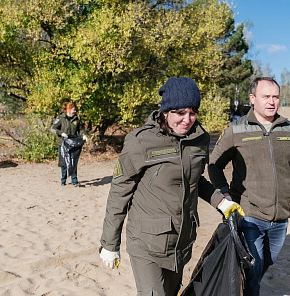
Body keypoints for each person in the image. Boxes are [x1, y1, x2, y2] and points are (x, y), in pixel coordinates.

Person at [99, 77, 244, 296]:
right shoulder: (140, 141)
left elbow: (195, 180)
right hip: (146, 242)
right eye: (180, 113)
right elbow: (119, 193)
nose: (187, 120)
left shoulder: (200, 138)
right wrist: (110, 244)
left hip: (181, 241)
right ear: (165, 111)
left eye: (193, 112)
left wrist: (221, 202)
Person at [208, 77, 290, 296]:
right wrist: (224, 192)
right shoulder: (236, 129)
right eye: (266, 96)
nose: (271, 101)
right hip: (248, 213)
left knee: (268, 262)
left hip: (280, 217)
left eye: (275, 96)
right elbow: (214, 165)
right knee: (254, 268)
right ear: (252, 98)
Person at [50, 102, 87, 186]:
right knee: (64, 162)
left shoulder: (76, 119)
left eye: (75, 109)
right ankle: (63, 180)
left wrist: (83, 135)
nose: (75, 111)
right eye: (73, 109)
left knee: (73, 161)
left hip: (73, 143)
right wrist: (61, 133)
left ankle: (74, 180)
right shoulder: (61, 118)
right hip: (63, 143)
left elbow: (80, 129)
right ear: (69, 109)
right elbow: (52, 128)